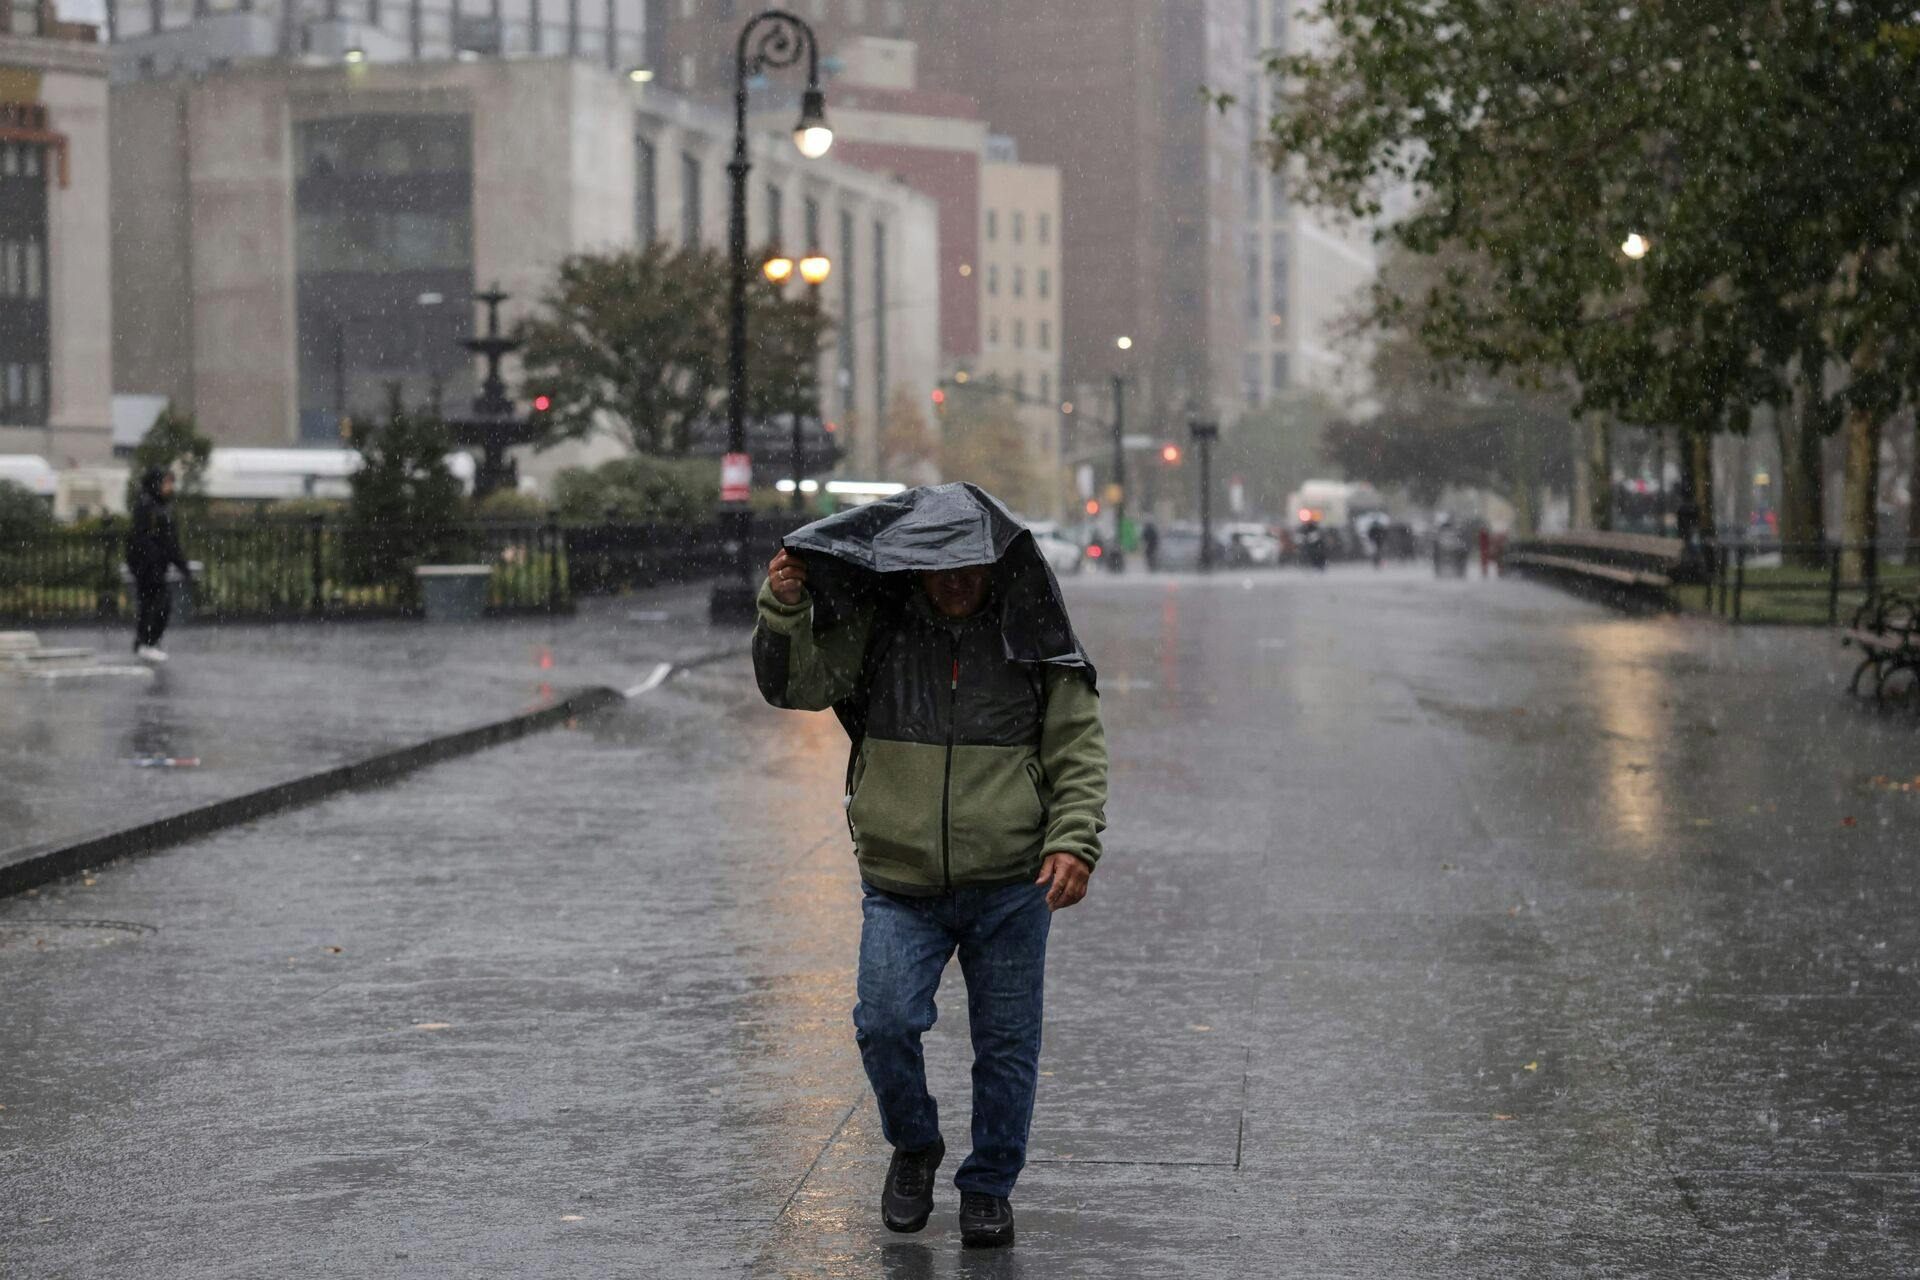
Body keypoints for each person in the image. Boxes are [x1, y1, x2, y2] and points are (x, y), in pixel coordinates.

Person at [752, 488, 1108, 1250]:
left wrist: (1073, 841)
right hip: (900, 884)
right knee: (883, 1025)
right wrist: (782, 609)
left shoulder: (1032, 636)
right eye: (937, 567)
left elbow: (1077, 749)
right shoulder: (880, 629)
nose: (953, 582)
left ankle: (988, 1188)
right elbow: (795, 687)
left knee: (1007, 1045)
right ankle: (914, 1144)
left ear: (992, 564)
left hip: (1012, 884)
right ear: (912, 566)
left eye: (968, 566)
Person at [126, 466, 192, 662]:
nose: (170, 486)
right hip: (149, 567)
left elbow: (168, 542)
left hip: (152, 566)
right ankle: (147, 642)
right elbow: (148, 539)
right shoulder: (150, 507)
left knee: (152, 605)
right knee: (157, 605)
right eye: (166, 482)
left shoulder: (156, 506)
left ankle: (145, 643)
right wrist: (152, 561)